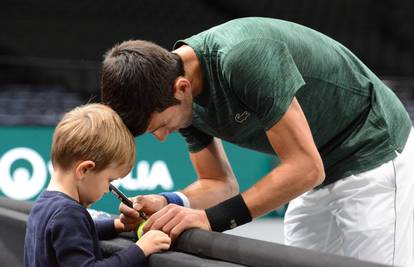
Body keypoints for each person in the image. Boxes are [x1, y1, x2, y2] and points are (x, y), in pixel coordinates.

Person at [101, 17, 414, 266]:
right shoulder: (175, 93)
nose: (162, 135)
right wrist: (170, 203)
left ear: (181, 88)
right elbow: (218, 183)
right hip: (319, 168)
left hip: (373, 150)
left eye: (162, 125)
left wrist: (211, 219)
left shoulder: (243, 56)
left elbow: (305, 168)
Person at [24, 103, 171, 267]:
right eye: (110, 181)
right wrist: (141, 248)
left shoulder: (44, 204)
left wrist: (118, 225)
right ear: (84, 170)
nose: (108, 190)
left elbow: (75, 233)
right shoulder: (68, 213)